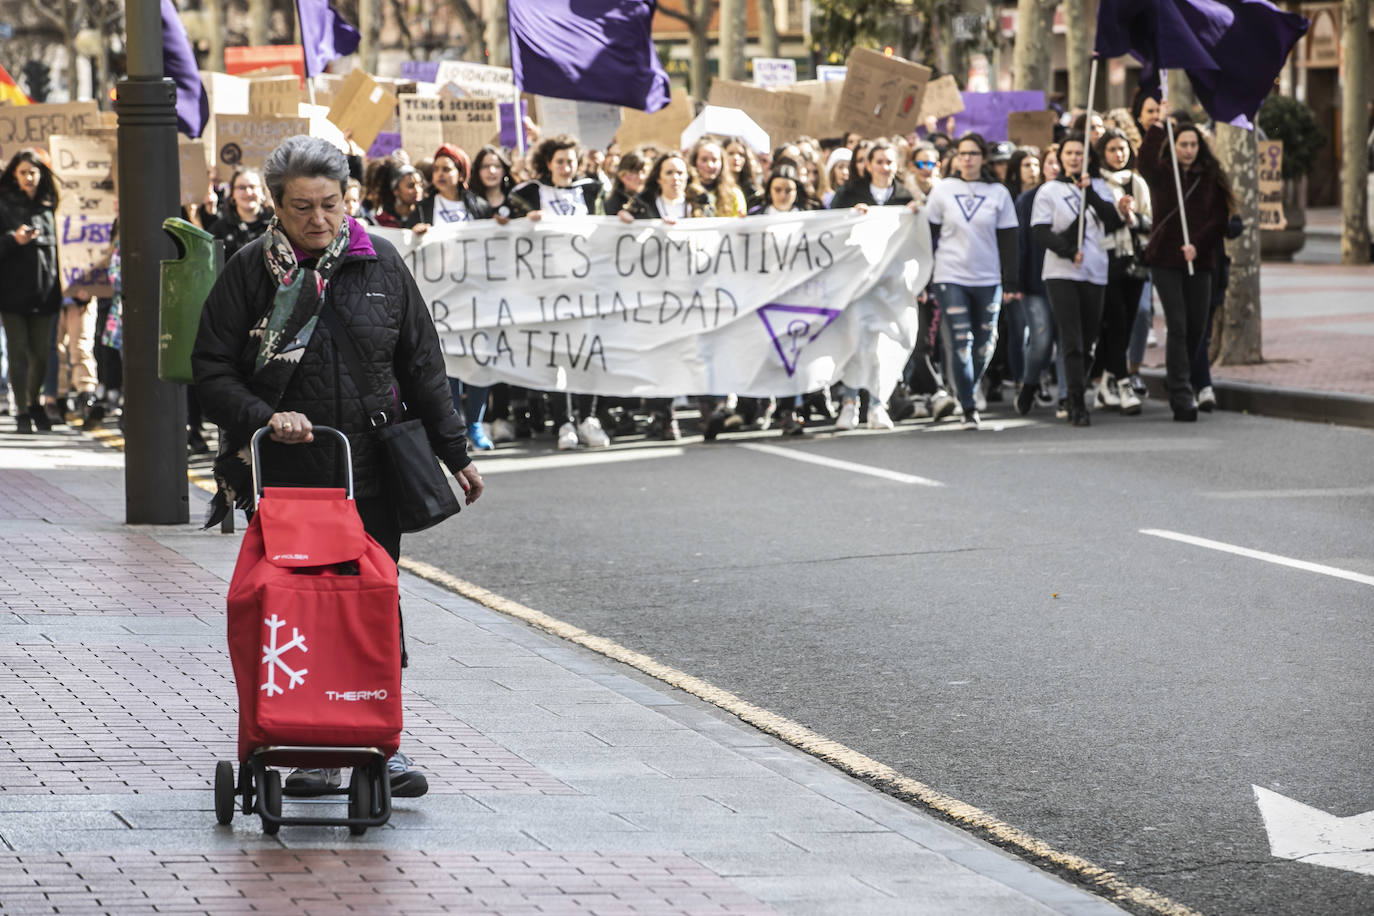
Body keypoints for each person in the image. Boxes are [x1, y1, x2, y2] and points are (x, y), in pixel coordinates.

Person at [192, 135, 484, 798]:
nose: (318, 219)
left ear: (348, 198)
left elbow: (422, 366)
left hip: (372, 469)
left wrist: (455, 453)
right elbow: (208, 372)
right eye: (301, 208)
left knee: (373, 607)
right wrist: (265, 417)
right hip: (291, 479)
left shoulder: (381, 261)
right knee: (305, 610)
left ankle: (381, 740)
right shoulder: (250, 271)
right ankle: (315, 744)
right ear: (275, 205)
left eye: (330, 204)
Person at [508, 135, 608, 448]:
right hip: (549, 290)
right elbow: (504, 222)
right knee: (558, 355)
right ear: (548, 164)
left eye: (571, 162)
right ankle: (564, 422)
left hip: (585, 288)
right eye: (560, 162)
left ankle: (588, 418)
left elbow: (607, 227)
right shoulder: (530, 193)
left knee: (586, 354)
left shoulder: (590, 191)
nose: (566, 168)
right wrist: (524, 220)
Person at [1031, 133, 1130, 427]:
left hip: (1095, 271)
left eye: (1079, 153)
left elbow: (1112, 221)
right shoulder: (1049, 191)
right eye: (1069, 153)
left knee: (1088, 341)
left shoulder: (1099, 186)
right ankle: (1075, 401)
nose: (1074, 158)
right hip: (1062, 272)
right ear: (1061, 157)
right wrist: (1067, 249)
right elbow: (1040, 232)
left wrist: (1091, 194)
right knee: (1072, 339)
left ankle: (1077, 387)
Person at [1138, 120, 1234, 421]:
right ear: (1174, 146)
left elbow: (1220, 218)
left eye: (1193, 145)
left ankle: (1177, 374)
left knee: (1196, 327)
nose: (1189, 151)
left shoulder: (1210, 177)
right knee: (1177, 324)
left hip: (1200, 260)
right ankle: (1181, 393)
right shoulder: (1164, 173)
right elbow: (1145, 162)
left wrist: (1199, 244)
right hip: (1166, 259)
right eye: (1183, 145)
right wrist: (1157, 126)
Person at [924, 133, 1020, 430]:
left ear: (983, 158)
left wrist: (1011, 282)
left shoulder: (999, 194)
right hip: (950, 275)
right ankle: (968, 406)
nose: (967, 159)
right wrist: (925, 278)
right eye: (962, 153)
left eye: (973, 153)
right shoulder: (943, 190)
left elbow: (1009, 240)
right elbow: (927, 234)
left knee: (984, 344)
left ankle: (968, 385)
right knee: (961, 342)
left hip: (988, 277)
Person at [620, 151, 714, 439]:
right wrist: (629, 220)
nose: (676, 178)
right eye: (670, 173)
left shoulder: (699, 205)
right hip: (658, 294)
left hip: (692, 292)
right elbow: (624, 228)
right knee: (665, 354)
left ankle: (708, 411)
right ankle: (664, 415)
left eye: (681, 173)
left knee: (697, 352)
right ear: (658, 178)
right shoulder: (645, 205)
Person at [829, 140, 920, 431]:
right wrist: (850, 218)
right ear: (868, 165)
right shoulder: (849, 194)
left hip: (891, 284)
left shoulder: (906, 196)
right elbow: (833, 230)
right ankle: (850, 403)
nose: (884, 167)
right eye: (878, 161)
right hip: (857, 283)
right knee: (856, 341)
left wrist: (916, 213)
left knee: (885, 343)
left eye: (889, 162)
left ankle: (878, 404)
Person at [416, 144, 498, 450]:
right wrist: (415, 233)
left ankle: (475, 424)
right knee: (446, 362)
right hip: (440, 298)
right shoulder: (424, 208)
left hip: (475, 295)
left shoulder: (477, 206)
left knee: (479, 359)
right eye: (435, 169)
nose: (439, 174)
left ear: (460, 173)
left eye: (446, 168)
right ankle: (453, 425)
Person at [1090, 128, 1151, 416]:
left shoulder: (1136, 182)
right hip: (1104, 259)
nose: (1119, 154)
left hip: (1133, 260)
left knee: (1130, 319)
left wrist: (1133, 217)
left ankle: (1108, 381)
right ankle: (1123, 381)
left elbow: (1151, 221)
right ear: (1103, 153)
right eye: (1113, 149)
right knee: (1114, 319)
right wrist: (1115, 213)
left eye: (1123, 149)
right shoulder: (1095, 184)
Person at [0, 149, 61, 434]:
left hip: (45, 293)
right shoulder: (4, 205)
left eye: (33, 172)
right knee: (18, 353)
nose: (28, 177)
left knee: (41, 354)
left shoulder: (48, 205)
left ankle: (34, 400)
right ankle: (23, 411)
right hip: (12, 293)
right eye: (23, 172)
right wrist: (14, 239)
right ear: (14, 174)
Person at [689, 138, 746, 218]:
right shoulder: (685, 193)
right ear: (695, 162)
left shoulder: (734, 194)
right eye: (704, 160)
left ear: (722, 163)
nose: (710, 165)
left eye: (714, 160)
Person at [375, 163, 425, 228]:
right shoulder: (384, 220)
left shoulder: (427, 213)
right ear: (396, 191)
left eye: (419, 185)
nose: (417, 190)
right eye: (410, 186)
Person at [604, 150, 648, 216]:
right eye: (635, 172)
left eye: (643, 172)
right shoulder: (613, 203)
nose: (641, 177)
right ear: (622, 176)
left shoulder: (653, 198)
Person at [724, 138, 764, 212]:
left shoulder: (753, 190)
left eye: (741, 154)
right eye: (731, 153)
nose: (736, 158)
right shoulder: (716, 186)